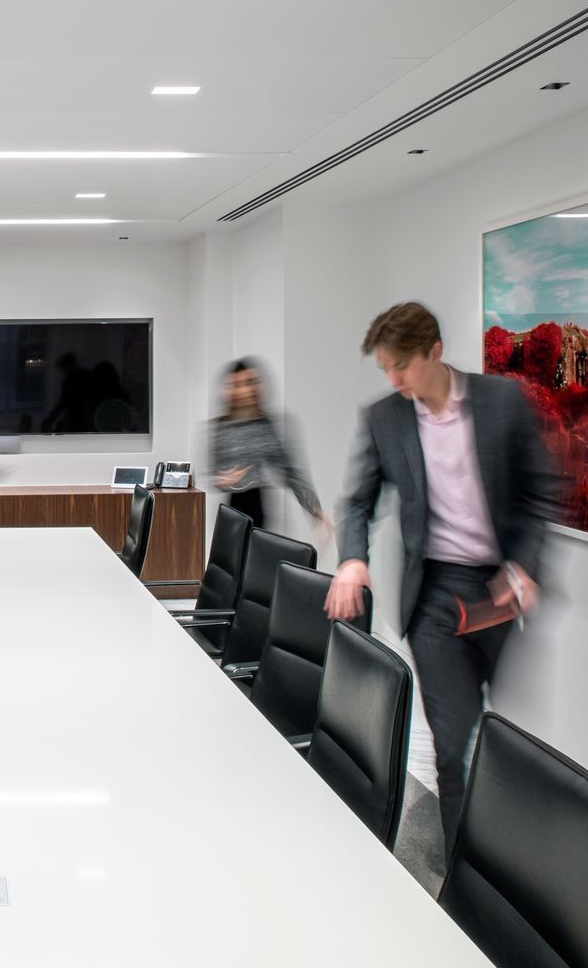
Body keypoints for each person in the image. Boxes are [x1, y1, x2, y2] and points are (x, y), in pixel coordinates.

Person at [328, 303, 563, 848]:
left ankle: (510, 857)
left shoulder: (502, 402)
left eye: (402, 366)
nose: (394, 379)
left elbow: (538, 496)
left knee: (505, 740)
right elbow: (357, 502)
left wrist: (525, 565)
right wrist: (353, 558)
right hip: (433, 595)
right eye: (385, 368)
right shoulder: (384, 417)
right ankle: (462, 868)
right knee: (453, 739)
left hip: (501, 591)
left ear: (435, 351)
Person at [209, 358, 329, 541]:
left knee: (259, 560)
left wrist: (314, 510)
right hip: (231, 512)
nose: (244, 390)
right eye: (238, 384)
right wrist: (222, 480)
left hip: (260, 509)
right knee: (230, 563)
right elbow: (212, 473)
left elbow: (291, 472)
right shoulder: (221, 426)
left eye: (249, 383)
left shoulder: (266, 425)